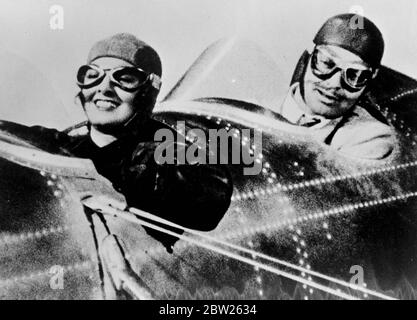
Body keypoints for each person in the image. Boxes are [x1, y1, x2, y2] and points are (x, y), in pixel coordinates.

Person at [0, 33, 233, 251]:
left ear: (148, 92)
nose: (104, 88)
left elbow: (211, 196)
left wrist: (148, 169)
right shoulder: (66, 147)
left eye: (124, 78)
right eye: (93, 76)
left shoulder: (165, 150)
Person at [278, 13, 397, 162]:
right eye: (326, 63)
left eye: (355, 75)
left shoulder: (370, 136)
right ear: (309, 56)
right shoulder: (257, 106)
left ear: (369, 81)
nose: (334, 84)